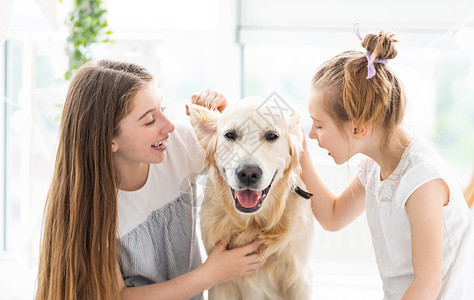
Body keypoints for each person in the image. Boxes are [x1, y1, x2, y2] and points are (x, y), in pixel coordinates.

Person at [36, 60, 264, 300]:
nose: (169, 125)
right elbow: (118, 296)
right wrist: (211, 274)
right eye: (149, 120)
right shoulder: (89, 206)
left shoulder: (179, 144)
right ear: (109, 139)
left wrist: (227, 124)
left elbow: (250, 162)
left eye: (163, 109)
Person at [300, 24, 474, 299]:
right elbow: (333, 216)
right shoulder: (374, 165)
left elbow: (427, 285)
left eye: (319, 125)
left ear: (358, 128)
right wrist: (300, 154)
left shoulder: (421, 180)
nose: (311, 135)